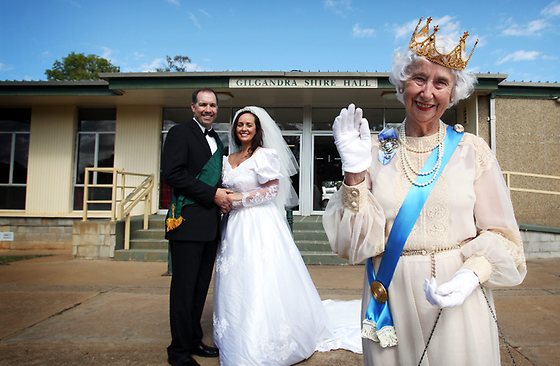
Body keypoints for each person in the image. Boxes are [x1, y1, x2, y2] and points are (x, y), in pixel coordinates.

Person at [323, 17, 527, 366]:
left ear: (454, 91)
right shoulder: (374, 150)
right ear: (402, 85)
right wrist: (355, 172)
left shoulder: (471, 150)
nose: (428, 92)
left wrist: (471, 274)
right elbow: (351, 246)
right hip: (392, 297)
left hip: (457, 296)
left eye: (440, 82)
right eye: (419, 78)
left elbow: (504, 236)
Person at [211, 106, 334, 365]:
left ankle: (260, 338)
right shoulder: (227, 158)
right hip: (233, 226)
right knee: (236, 277)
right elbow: (223, 189)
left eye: (249, 125)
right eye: (240, 124)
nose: (244, 128)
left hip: (259, 223)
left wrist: (237, 199)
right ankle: (235, 332)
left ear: (257, 129)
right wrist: (223, 200)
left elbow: (271, 191)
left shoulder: (265, 156)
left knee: (259, 275)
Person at [162, 88, 231, 366]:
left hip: (210, 226)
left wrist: (223, 196)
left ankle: (193, 340)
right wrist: (212, 194)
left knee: (200, 288)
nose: (208, 109)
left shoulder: (216, 138)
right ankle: (177, 351)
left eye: (212, 105)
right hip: (187, 223)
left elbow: (213, 181)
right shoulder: (180, 133)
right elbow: (173, 174)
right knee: (183, 290)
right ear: (192, 107)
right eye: (202, 104)